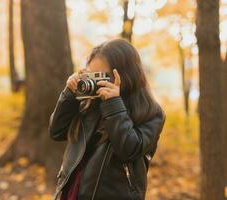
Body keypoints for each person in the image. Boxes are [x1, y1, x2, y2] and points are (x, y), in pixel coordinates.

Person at [48, 38, 166, 200]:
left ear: (125, 75)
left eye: (102, 76)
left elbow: (129, 150)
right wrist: (69, 94)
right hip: (72, 193)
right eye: (91, 74)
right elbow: (56, 131)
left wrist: (114, 105)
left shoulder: (151, 113)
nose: (94, 82)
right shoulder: (88, 102)